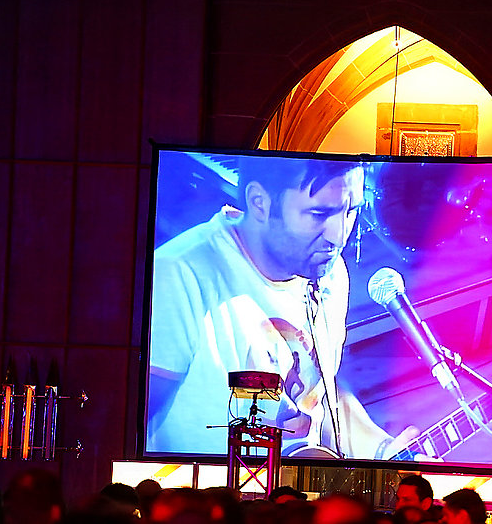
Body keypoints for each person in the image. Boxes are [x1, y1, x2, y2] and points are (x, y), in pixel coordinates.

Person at [147, 156, 417, 458]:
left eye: (350, 210)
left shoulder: (330, 273)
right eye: (319, 214)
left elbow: (317, 396)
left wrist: (383, 451)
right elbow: (128, 425)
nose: (339, 235)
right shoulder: (178, 275)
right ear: (259, 203)